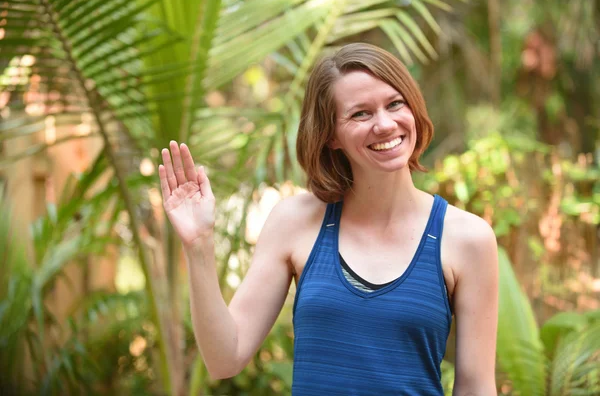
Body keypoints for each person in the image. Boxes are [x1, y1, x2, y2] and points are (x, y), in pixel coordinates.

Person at [158, 43, 498, 395]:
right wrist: (198, 245)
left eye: (395, 104)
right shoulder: (295, 221)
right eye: (360, 114)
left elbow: (475, 387)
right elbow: (224, 358)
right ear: (331, 136)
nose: (384, 124)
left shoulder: (467, 239)